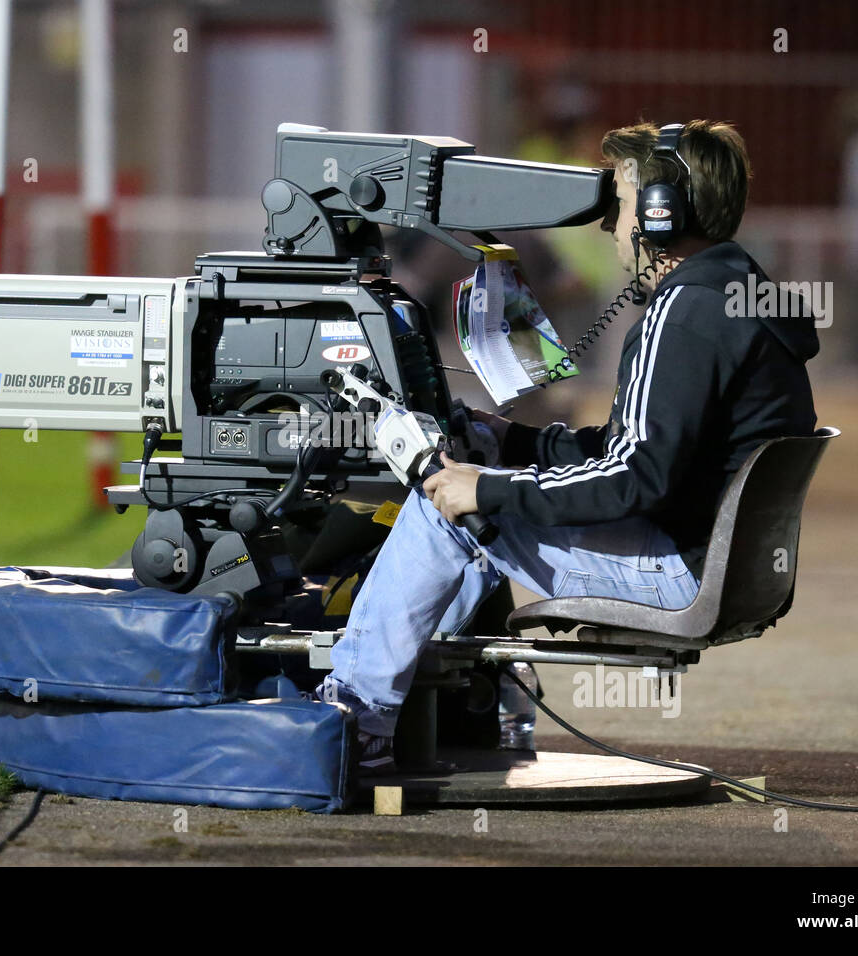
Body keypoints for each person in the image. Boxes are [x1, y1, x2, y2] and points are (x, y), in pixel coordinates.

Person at [314, 120, 821, 774]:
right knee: (477, 489)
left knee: (449, 511)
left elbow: (633, 478)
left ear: (664, 213)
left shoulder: (687, 311)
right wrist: (515, 441)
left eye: (624, 202)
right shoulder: (733, 292)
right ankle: (469, 706)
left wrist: (486, 488)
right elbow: (635, 450)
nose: (610, 224)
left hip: (679, 572)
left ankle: (356, 718)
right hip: (705, 557)